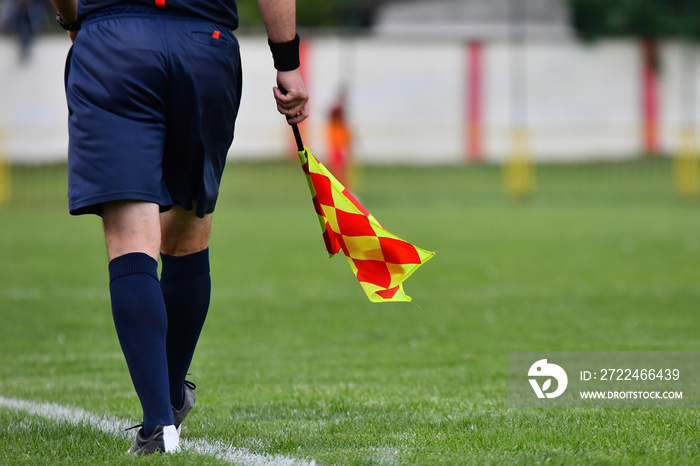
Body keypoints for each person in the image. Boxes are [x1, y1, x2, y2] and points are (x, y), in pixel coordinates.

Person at [50, 0, 309, 455]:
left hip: (115, 46)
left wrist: (73, 20)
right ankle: (169, 396)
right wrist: (287, 63)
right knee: (188, 234)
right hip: (204, 47)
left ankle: (159, 426)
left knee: (132, 235)